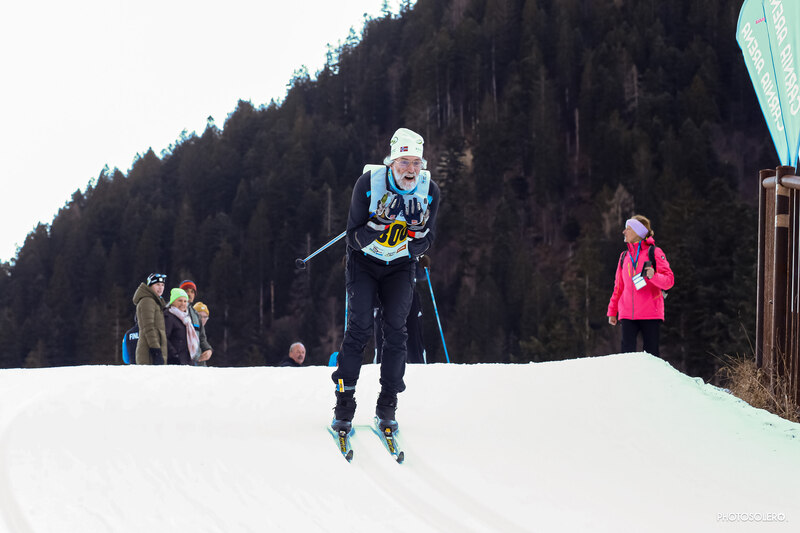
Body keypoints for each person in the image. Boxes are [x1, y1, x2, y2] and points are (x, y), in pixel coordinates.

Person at [331, 127, 440, 434]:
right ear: (391, 163)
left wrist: (417, 231)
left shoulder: (430, 191)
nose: (411, 170)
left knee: (396, 331)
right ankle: (344, 404)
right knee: (359, 329)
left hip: (400, 265)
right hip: (364, 263)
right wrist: (377, 223)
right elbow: (353, 240)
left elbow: (425, 244)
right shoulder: (368, 184)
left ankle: (387, 404)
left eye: (416, 163)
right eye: (404, 162)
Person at [607, 215, 674, 358]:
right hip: (627, 314)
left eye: (628, 229)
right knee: (627, 357)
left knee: (651, 356)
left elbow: (669, 281)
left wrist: (654, 276)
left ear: (638, 232)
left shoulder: (654, 252)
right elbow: (618, 286)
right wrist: (612, 311)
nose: (624, 232)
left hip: (650, 313)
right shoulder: (624, 256)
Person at [373, 255, 430, 364]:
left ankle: (418, 366)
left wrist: (422, 266)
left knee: (413, 337)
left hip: (408, 295)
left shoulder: (409, 248)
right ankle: (380, 365)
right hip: (384, 294)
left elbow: (422, 275)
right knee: (383, 336)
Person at [133, 273, 168, 365]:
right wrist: (155, 349)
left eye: (162, 285)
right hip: (148, 352)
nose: (160, 288)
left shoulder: (156, 302)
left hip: (154, 349)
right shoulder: (147, 301)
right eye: (157, 284)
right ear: (150, 285)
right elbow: (148, 327)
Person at [164, 288, 200, 365]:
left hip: (187, 361)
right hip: (175, 361)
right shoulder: (168, 317)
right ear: (173, 302)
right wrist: (174, 356)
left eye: (185, 301)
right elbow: (164, 338)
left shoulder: (186, 319)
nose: (183, 304)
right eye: (180, 301)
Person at [179, 280, 213, 364]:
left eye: (192, 292)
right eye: (186, 291)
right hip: (181, 360)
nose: (189, 294)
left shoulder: (196, 315)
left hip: (198, 361)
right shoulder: (173, 312)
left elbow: (202, 337)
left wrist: (208, 349)